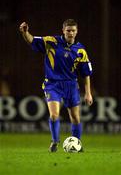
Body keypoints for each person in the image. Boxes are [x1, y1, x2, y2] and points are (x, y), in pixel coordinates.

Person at [19, 19, 93, 152]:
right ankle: (54, 142)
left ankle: (77, 143)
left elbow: (86, 73)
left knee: (75, 117)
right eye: (68, 30)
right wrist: (25, 32)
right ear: (63, 30)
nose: (70, 33)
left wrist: (88, 93)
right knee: (54, 115)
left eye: (73, 30)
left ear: (77, 32)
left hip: (71, 85)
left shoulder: (81, 50)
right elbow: (32, 40)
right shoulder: (52, 41)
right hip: (52, 84)